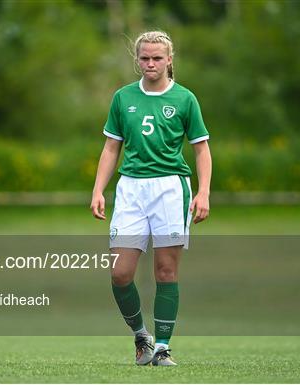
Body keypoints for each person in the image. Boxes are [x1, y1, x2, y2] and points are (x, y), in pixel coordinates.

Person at [90, 30, 212, 366]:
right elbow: (111, 146)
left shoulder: (185, 99)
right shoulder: (123, 97)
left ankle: (162, 347)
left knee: (166, 271)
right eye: (144, 58)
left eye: (157, 58)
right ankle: (140, 335)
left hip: (171, 188)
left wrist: (203, 191)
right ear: (137, 60)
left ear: (170, 59)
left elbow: (201, 149)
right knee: (120, 273)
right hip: (130, 189)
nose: (151, 64)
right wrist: (98, 189)